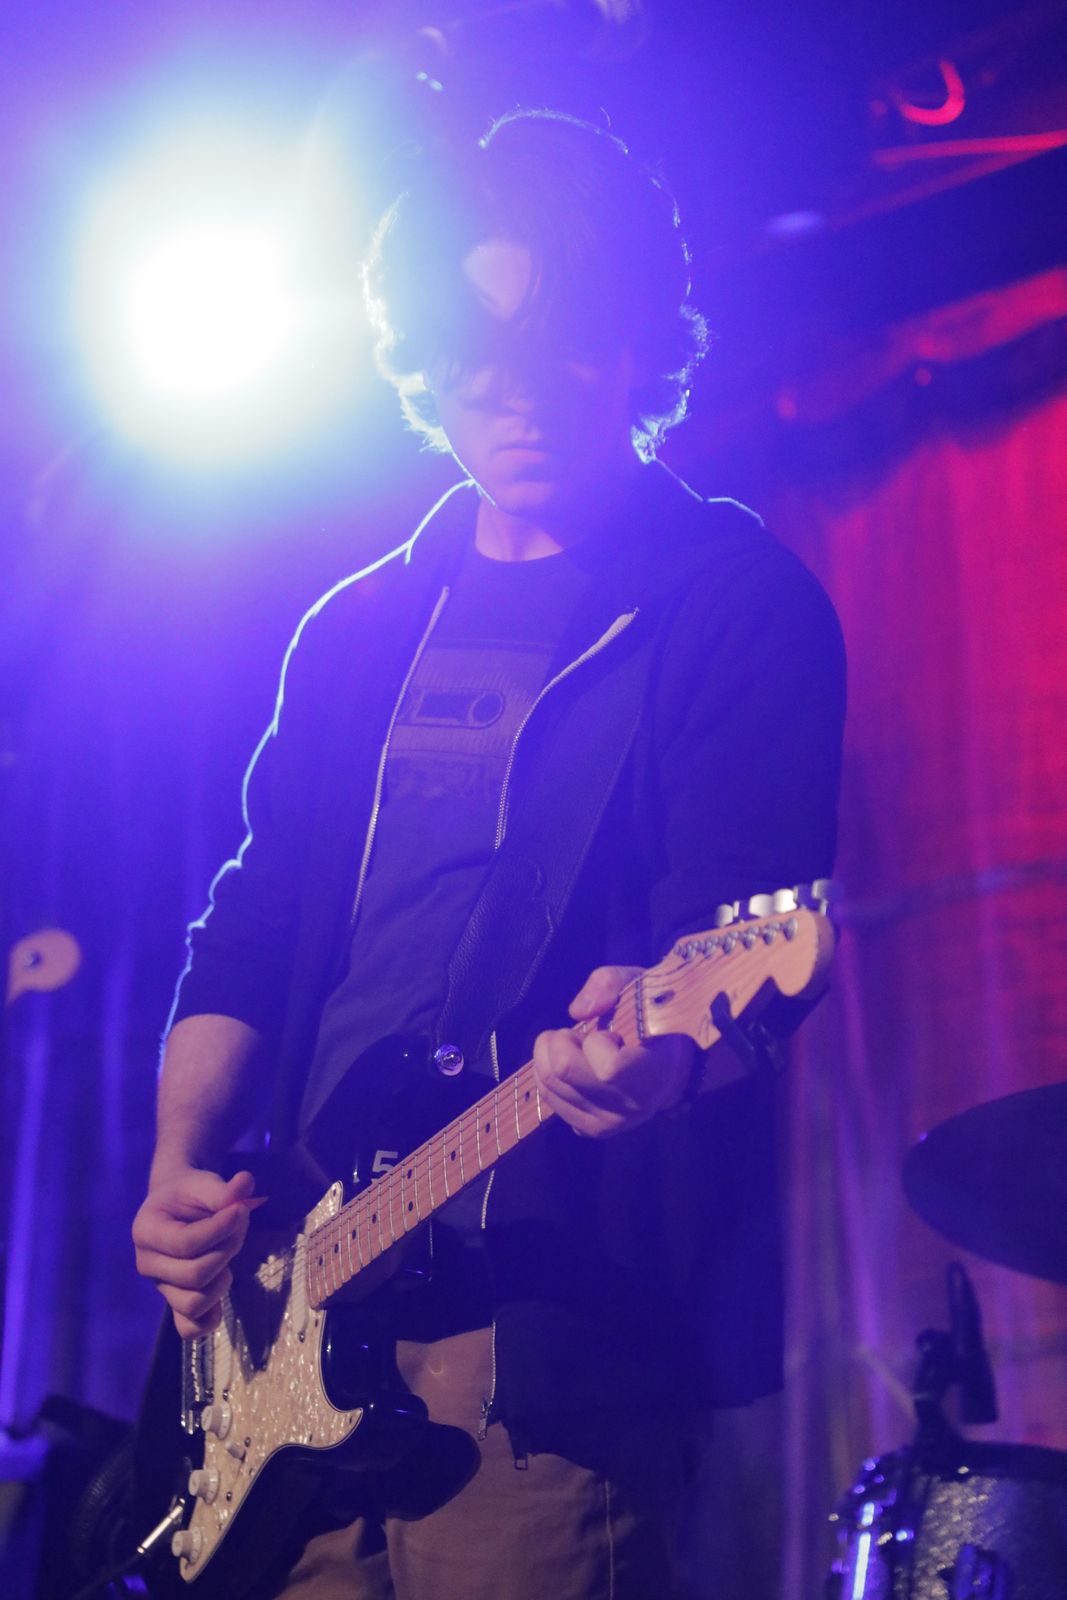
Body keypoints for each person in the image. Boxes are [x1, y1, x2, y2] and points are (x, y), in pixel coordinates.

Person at [132, 110, 845, 1599]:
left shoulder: (734, 601)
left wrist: (663, 1062)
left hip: (545, 1334)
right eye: (475, 355)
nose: (515, 394)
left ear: (637, 342)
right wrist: (179, 1168)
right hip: (288, 1303)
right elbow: (250, 925)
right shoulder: (357, 626)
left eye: (559, 345)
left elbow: (749, 942)